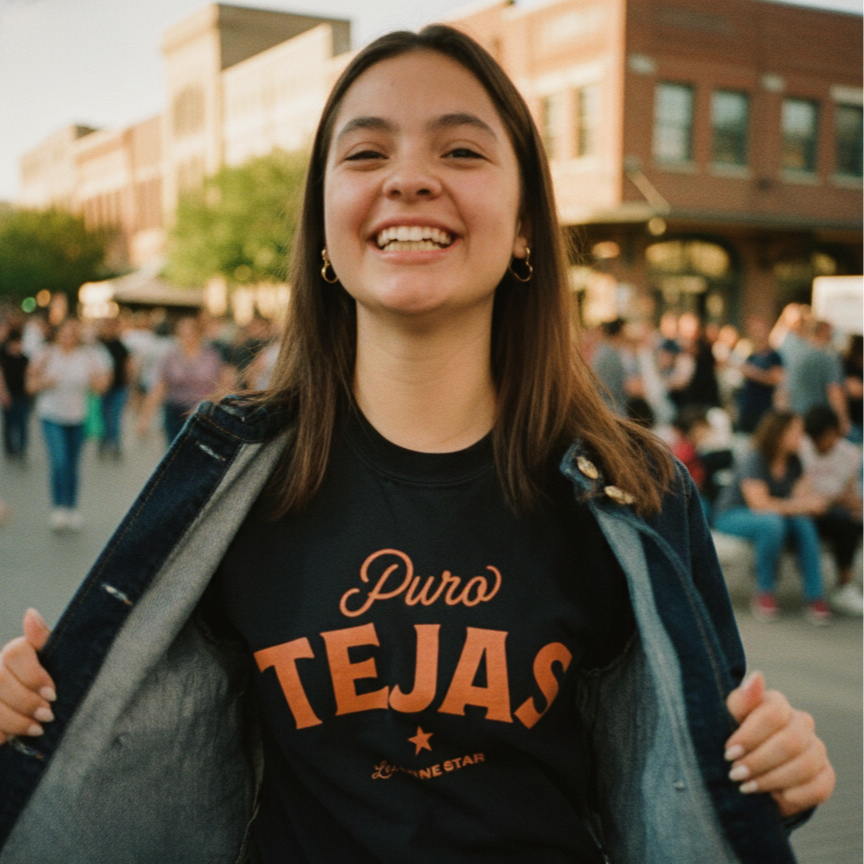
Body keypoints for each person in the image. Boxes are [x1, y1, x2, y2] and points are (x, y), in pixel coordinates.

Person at [0, 27, 833, 864]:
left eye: (462, 149)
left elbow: (694, 768)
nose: (406, 179)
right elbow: (120, 753)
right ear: (325, 225)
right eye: (364, 155)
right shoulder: (231, 484)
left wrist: (773, 771)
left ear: (524, 228)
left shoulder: (631, 491)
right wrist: (25, 714)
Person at [713, 410, 831, 623]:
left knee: (803, 522)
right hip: (733, 515)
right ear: (779, 433)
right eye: (796, 432)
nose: (801, 437)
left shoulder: (794, 462)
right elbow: (760, 504)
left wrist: (807, 501)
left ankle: (815, 596)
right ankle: (764, 591)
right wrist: (804, 504)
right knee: (771, 522)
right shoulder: (755, 458)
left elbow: (800, 499)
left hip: (772, 515)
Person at [24, 318, 109, 531]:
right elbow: (30, 385)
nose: (69, 337)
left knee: (72, 464)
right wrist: (45, 382)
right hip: (51, 415)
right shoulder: (46, 353)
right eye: (65, 333)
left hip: (78, 417)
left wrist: (95, 380)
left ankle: (71, 508)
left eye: (73, 333)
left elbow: (100, 387)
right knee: (59, 460)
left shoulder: (87, 356)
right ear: (57, 334)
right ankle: (58, 508)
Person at [801, 405, 864, 616]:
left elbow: (852, 494)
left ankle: (845, 586)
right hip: (805, 510)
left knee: (850, 521)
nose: (821, 444)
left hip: (835, 510)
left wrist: (847, 502)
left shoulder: (849, 453)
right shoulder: (801, 450)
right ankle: (826, 590)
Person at [136, 314, 225, 444]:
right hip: (174, 411)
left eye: (190, 331)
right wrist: (145, 417)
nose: (187, 335)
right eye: (182, 331)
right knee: (174, 452)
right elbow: (160, 387)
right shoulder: (170, 356)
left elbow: (222, 385)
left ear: (198, 333)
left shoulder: (211, 356)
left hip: (203, 413)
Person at [735, 315, 784, 434]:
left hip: (763, 407)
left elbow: (776, 378)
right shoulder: (751, 355)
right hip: (748, 406)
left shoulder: (774, 356)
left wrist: (753, 373)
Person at [96, 317, 131, 458]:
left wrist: (129, 384)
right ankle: (103, 442)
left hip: (118, 387)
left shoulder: (120, 345)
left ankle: (115, 445)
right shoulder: (97, 345)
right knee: (102, 417)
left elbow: (128, 365)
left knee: (115, 418)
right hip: (102, 389)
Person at [0, 326, 31, 461]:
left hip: (23, 395)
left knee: (22, 423)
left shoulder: (25, 358)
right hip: (9, 394)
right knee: (9, 423)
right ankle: (10, 449)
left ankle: (22, 448)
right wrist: (3, 392)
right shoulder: (4, 357)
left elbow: (29, 375)